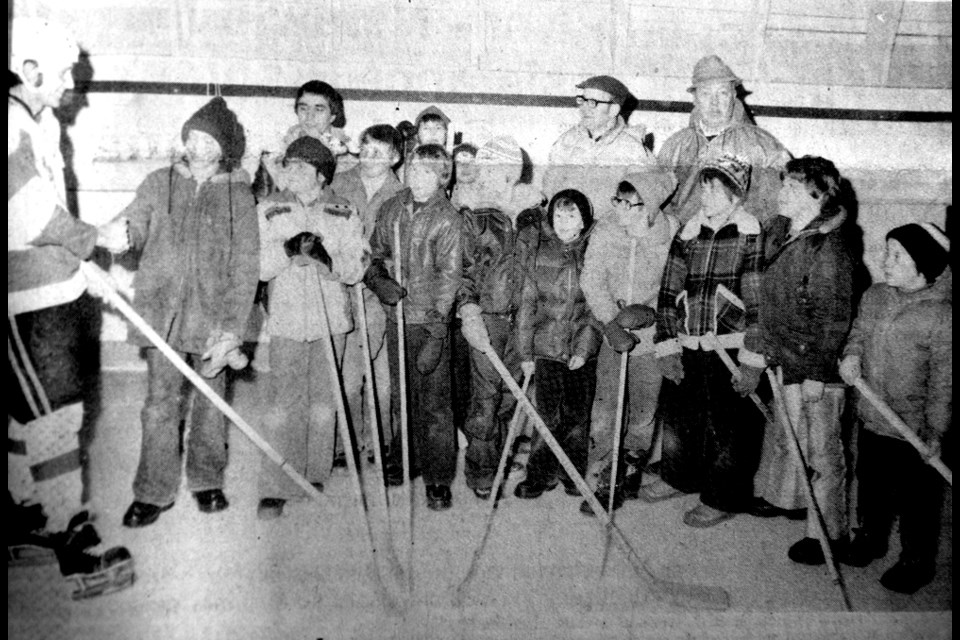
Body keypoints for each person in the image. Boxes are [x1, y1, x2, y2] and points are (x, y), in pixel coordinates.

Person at [8, 16, 135, 600]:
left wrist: (82, 267)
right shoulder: (10, 119)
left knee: (29, 412)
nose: (70, 84)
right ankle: (71, 540)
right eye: (62, 74)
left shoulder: (42, 120)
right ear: (29, 69)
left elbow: (51, 208)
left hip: (52, 289)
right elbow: (28, 217)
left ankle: (27, 516)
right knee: (54, 417)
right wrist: (97, 240)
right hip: (24, 300)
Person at [111, 96, 260, 528]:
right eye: (192, 137)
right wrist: (124, 233)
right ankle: (153, 491)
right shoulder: (159, 181)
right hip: (163, 315)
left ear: (225, 148)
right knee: (160, 403)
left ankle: (206, 480)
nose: (198, 148)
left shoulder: (238, 195)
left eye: (209, 141)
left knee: (212, 402)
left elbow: (246, 265)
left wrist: (233, 327)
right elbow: (135, 220)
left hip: (215, 318)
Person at [643, 154, 766, 528]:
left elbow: (759, 303)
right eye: (704, 186)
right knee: (681, 418)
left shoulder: (750, 234)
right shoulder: (688, 233)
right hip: (688, 342)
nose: (707, 194)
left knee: (732, 427)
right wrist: (666, 344)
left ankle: (723, 496)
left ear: (736, 196)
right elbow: (668, 291)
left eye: (716, 188)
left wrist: (752, 360)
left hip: (730, 348)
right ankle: (679, 476)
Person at [749, 157, 856, 563]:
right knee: (795, 441)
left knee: (823, 453)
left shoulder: (829, 248)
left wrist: (817, 373)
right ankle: (798, 503)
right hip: (788, 357)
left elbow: (834, 319)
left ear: (818, 196)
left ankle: (828, 535)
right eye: (783, 185)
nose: (781, 193)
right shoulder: (782, 232)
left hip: (815, 366)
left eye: (792, 188)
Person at [255, 137, 368, 519]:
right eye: (288, 165)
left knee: (323, 403)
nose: (292, 172)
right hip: (286, 320)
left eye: (302, 166)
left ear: (322, 174)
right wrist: (286, 251)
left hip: (330, 321)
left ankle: (315, 475)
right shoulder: (269, 208)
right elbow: (257, 266)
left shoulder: (343, 210)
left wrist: (326, 259)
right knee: (283, 406)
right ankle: (278, 482)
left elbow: (357, 265)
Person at [838, 223, 951, 595]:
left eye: (896, 255)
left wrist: (935, 432)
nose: (885, 261)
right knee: (871, 484)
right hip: (873, 416)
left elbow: (944, 383)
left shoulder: (941, 317)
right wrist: (852, 355)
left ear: (922, 265)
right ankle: (871, 537)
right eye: (886, 251)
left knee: (918, 501)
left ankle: (916, 560)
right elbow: (856, 333)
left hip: (914, 430)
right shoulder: (875, 297)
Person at [365, 144, 464, 511]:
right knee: (402, 396)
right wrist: (377, 280)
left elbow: (450, 279)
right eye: (414, 170)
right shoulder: (392, 208)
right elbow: (373, 253)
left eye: (429, 173)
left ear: (443, 177)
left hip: (429, 323)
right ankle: (406, 458)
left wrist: (438, 335)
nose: (419, 179)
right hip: (398, 318)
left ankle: (438, 478)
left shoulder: (447, 218)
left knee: (436, 404)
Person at [579, 168, 678, 514]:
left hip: (651, 340)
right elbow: (591, 280)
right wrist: (610, 322)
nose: (618, 208)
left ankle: (630, 469)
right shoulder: (606, 229)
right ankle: (602, 480)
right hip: (613, 334)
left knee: (642, 413)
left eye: (628, 203)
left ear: (648, 207)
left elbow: (678, 285)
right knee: (605, 412)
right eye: (616, 200)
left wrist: (651, 312)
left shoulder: (671, 234)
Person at [456, 137, 544, 499]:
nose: (494, 174)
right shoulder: (471, 214)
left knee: (512, 395)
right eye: (487, 166)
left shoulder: (533, 215)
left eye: (502, 167)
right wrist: (469, 310)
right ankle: (481, 472)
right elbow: (459, 269)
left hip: (523, 317)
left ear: (514, 172)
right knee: (485, 399)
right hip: (488, 316)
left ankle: (503, 455)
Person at [513, 190, 602, 499]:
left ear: (584, 220)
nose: (564, 223)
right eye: (559, 216)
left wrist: (583, 348)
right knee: (546, 417)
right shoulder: (540, 253)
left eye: (572, 215)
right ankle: (539, 474)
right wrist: (525, 352)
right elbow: (527, 306)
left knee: (577, 416)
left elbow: (595, 308)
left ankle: (572, 473)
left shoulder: (593, 252)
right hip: (546, 349)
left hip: (580, 351)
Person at [331, 125, 405, 459]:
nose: (369, 157)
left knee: (377, 377)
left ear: (394, 157)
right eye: (365, 148)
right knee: (349, 372)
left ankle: (379, 441)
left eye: (379, 151)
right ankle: (345, 441)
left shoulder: (400, 194)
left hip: (376, 293)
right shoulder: (341, 182)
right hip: (340, 286)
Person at [658, 55, 790, 226]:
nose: (714, 102)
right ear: (695, 98)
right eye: (706, 93)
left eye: (722, 93)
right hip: (685, 241)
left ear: (733, 96)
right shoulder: (676, 145)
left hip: (739, 242)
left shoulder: (762, 144)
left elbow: (786, 200)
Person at [542, 75, 655, 219]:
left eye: (592, 102)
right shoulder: (567, 141)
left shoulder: (633, 149)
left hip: (607, 231)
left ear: (613, 109)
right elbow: (549, 186)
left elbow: (640, 204)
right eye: (582, 101)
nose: (584, 108)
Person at [256, 80, 355, 196]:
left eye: (319, 109)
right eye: (303, 108)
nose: (309, 116)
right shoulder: (281, 149)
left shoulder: (346, 154)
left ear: (332, 117)